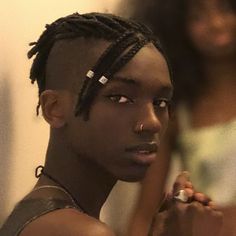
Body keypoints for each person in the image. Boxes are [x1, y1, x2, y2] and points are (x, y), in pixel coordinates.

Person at [0, 12, 222, 236]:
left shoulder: (42, 212)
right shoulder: (83, 232)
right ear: (54, 108)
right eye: (120, 98)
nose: (152, 122)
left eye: (160, 102)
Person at [120, 0, 236, 235]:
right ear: (177, 28)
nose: (216, 23)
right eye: (198, 16)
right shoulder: (176, 113)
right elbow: (145, 212)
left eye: (226, 9)